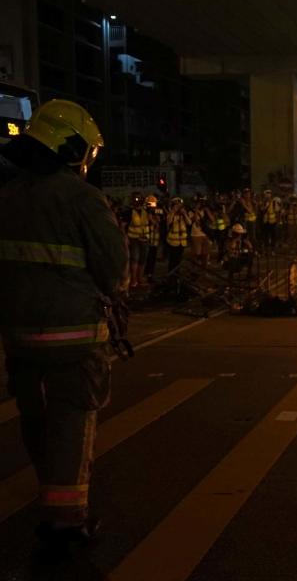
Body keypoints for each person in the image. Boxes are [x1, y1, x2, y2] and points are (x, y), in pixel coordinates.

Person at [0, 99, 127, 547]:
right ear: (73, 147)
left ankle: (49, 498)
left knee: (35, 417)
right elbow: (113, 267)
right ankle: (67, 519)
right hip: (74, 335)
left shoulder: (9, 194)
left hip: (18, 336)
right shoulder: (80, 196)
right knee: (71, 420)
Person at [126, 192, 150, 288]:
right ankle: (134, 280)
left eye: (140, 199)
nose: (138, 201)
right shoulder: (129, 212)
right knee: (135, 259)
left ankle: (140, 279)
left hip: (144, 239)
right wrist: (125, 238)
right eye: (136, 199)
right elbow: (123, 226)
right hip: (134, 239)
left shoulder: (146, 211)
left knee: (142, 260)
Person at [166, 197, 191, 273]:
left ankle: (177, 275)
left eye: (180, 205)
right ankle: (171, 276)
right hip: (172, 242)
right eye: (177, 205)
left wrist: (184, 214)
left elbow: (189, 223)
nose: (179, 207)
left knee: (179, 261)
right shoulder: (171, 214)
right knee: (172, 260)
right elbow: (168, 222)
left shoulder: (183, 214)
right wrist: (173, 211)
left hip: (182, 242)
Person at [143, 194, 161, 283]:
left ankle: (150, 275)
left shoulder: (156, 213)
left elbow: (158, 226)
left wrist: (156, 220)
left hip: (154, 240)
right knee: (146, 258)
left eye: (154, 204)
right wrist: (151, 219)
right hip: (147, 240)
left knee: (152, 258)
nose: (153, 206)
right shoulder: (144, 213)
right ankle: (145, 275)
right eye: (151, 204)